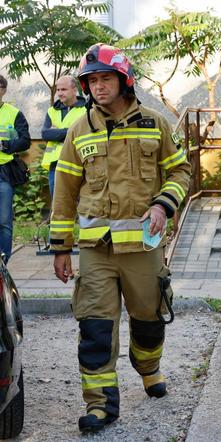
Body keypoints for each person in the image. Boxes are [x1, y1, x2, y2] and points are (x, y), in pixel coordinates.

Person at [50, 43, 191, 433]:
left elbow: (181, 173)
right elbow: (64, 190)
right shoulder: (79, 129)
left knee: (149, 319)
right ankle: (100, 406)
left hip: (144, 248)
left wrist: (163, 205)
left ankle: (148, 368)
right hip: (97, 251)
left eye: (105, 78)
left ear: (124, 80)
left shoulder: (154, 123)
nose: (98, 87)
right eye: (91, 80)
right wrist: (61, 247)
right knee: (95, 327)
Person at [0, 74, 31, 263]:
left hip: (4, 172)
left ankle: (3, 265)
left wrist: (7, 145)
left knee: (3, 221)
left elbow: (25, 140)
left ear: (3, 91)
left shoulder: (14, 113)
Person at [41, 75, 86, 198]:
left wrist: (57, 132)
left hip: (79, 163)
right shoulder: (52, 111)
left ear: (74, 89)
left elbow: (84, 133)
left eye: (64, 89)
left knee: (80, 204)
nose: (59, 93)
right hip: (55, 165)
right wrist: (71, 131)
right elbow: (45, 134)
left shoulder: (86, 110)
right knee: (58, 204)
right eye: (58, 90)